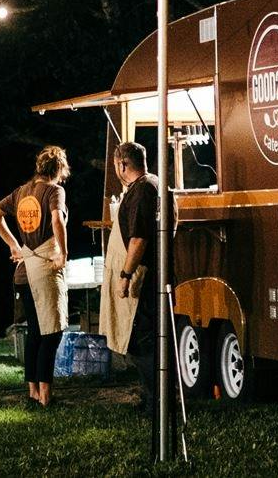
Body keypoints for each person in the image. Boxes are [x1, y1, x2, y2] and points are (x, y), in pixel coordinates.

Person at [0, 144, 71, 406]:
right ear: (59, 168)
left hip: (24, 273)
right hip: (44, 269)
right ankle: (45, 395)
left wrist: (14, 245)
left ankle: (33, 391)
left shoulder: (21, 192)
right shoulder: (54, 191)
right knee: (52, 332)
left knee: (35, 331)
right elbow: (57, 220)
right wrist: (63, 253)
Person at [112, 140, 166, 412]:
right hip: (156, 273)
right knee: (146, 339)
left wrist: (125, 275)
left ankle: (157, 402)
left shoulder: (142, 190)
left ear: (123, 164)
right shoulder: (154, 183)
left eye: (116, 165)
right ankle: (152, 397)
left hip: (146, 275)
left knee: (142, 340)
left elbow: (138, 239)